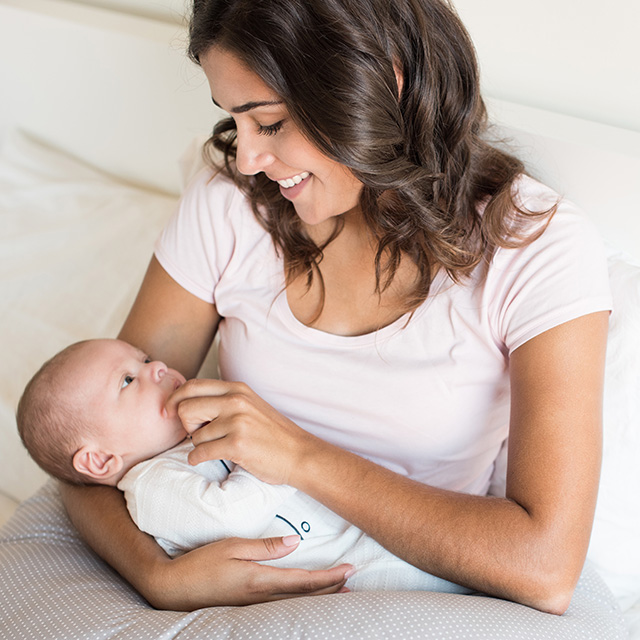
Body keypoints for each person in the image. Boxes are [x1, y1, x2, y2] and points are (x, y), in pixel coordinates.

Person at [59, 0, 613, 618]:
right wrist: (160, 577)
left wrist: (300, 457)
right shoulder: (231, 206)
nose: (246, 160)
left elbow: (544, 565)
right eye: (234, 122)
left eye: (268, 123)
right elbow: (89, 446)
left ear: (382, 82)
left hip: (412, 595)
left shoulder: (533, 247)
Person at [17, 337, 471, 595]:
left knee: (450, 562)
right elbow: (230, 515)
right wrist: (269, 454)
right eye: (128, 380)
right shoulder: (151, 487)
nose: (156, 368)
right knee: (440, 579)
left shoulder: (183, 445)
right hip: (346, 566)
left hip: (356, 532)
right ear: (100, 460)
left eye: (146, 357)